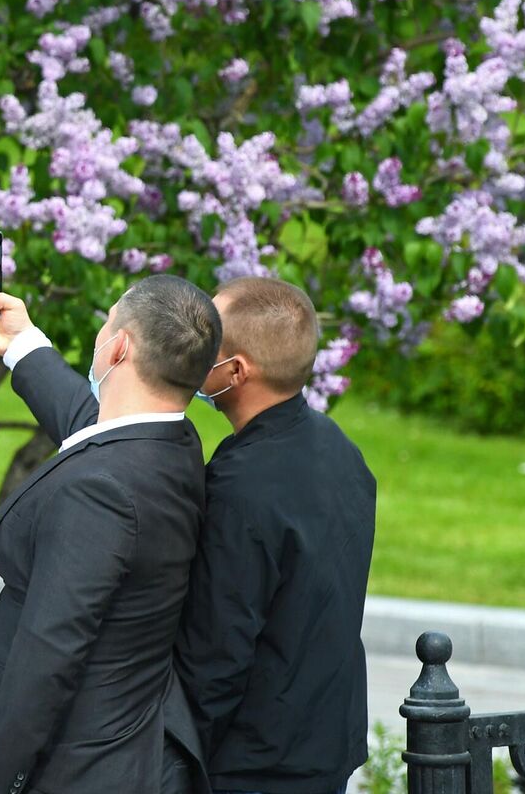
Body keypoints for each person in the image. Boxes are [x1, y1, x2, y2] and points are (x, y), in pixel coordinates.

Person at [0, 276, 216, 794]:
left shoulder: (100, 494)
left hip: (73, 772)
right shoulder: (172, 441)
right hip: (129, 752)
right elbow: (95, 424)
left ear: (118, 347)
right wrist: (20, 343)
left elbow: (48, 658)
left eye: (106, 324)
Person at [176, 277, 377, 794]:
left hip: (254, 765)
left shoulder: (242, 485)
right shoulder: (341, 450)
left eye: (205, 344)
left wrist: (175, 762)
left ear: (236, 371)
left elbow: (217, 655)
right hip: (325, 743)